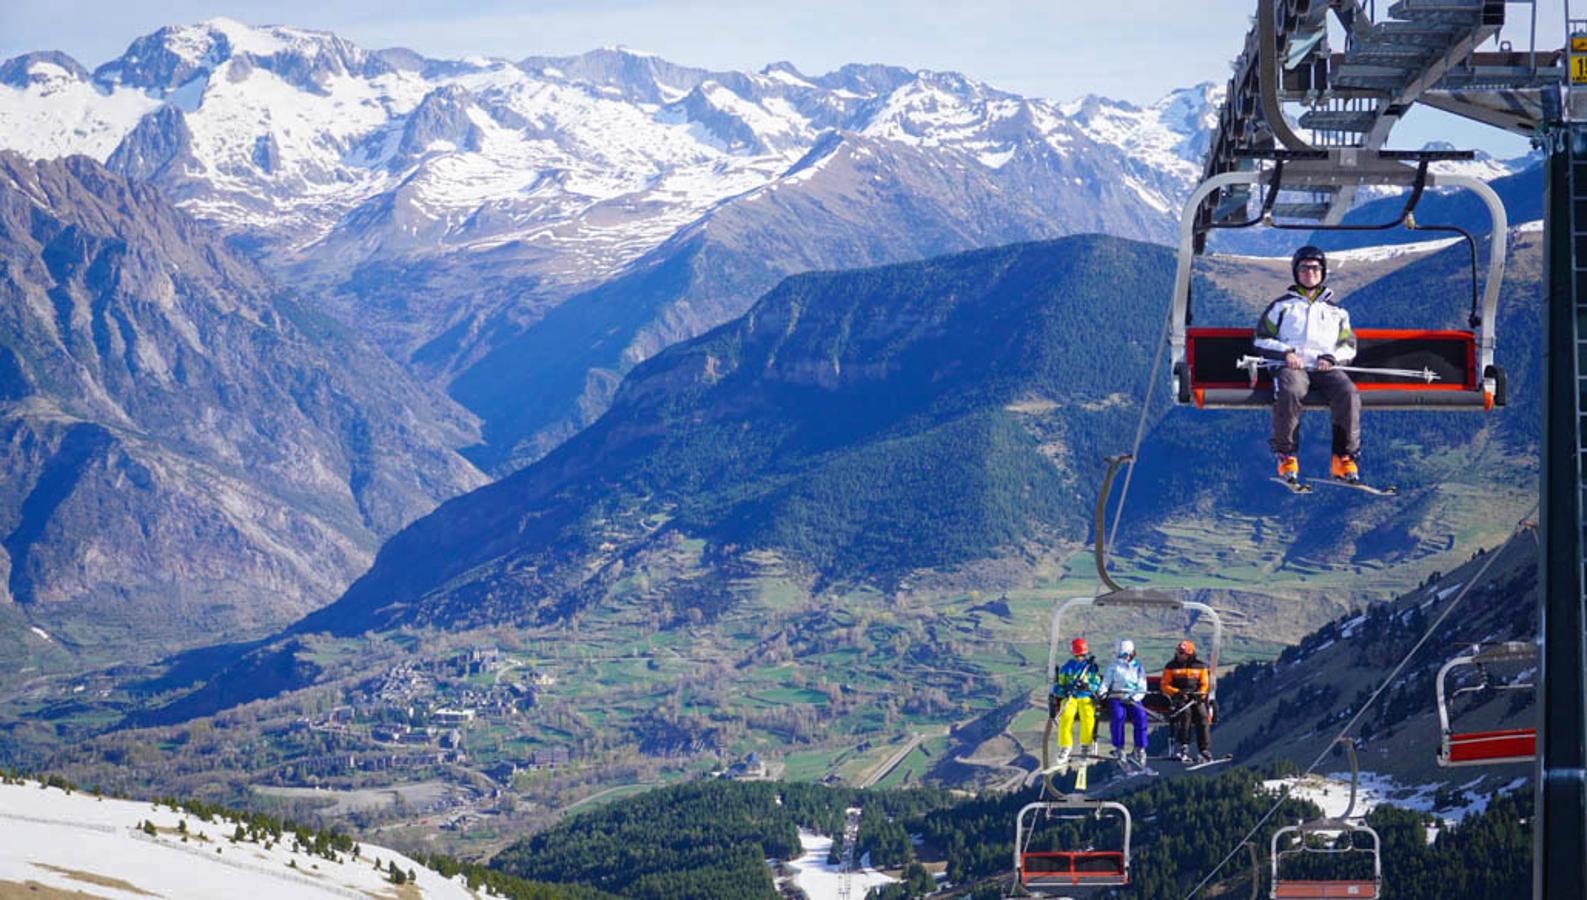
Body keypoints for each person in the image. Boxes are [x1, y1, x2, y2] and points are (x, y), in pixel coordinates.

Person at [1253, 245, 1362, 485]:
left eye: (1315, 268)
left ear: (1323, 272)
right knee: (1290, 391)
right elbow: (1261, 338)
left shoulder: (1337, 312)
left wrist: (1332, 358)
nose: (1310, 273)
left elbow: (1348, 345)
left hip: (1324, 367)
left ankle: (1344, 457)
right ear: (1296, 272)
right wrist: (1286, 352)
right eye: (1304, 268)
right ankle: (1286, 454)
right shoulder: (1282, 307)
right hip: (1293, 366)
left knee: (1348, 393)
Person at [1049, 637, 1102, 765]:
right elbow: (1058, 686)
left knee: (1088, 717)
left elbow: (1097, 683)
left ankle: (1085, 746)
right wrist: (1064, 691)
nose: (1080, 658)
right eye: (1078, 656)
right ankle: (1065, 746)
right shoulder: (1067, 668)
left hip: (1086, 696)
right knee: (1066, 716)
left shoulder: (1091, 668)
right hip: (1070, 697)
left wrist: (1088, 687)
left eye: (1082, 656)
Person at [1160, 639, 1213, 763]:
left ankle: (1204, 749)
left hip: (1196, 697)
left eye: (1182, 653)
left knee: (1202, 717)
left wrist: (1200, 695)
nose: (1179, 655)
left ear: (1189, 653)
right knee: (1185, 715)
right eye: (1178, 652)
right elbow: (1164, 685)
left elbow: (1205, 683)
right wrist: (1177, 692)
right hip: (1180, 697)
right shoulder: (1171, 666)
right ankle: (1184, 745)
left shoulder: (1200, 666)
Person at [1099, 639, 1150, 768]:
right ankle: (1119, 747)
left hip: (1133, 697)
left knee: (1141, 717)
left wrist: (1135, 697)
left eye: (1126, 654)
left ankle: (1140, 748)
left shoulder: (1138, 668)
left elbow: (1142, 686)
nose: (1124, 657)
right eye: (1121, 655)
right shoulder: (1114, 666)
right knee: (1118, 716)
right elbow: (1106, 682)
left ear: (1132, 653)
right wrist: (1102, 692)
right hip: (1117, 695)